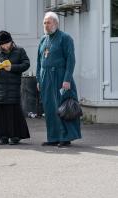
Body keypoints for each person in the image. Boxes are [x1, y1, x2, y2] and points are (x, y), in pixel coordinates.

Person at [36, 12, 81, 147]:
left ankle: (65, 137)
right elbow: (39, 61)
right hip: (45, 78)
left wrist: (67, 79)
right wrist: (38, 79)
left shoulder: (65, 38)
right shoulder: (43, 40)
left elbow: (71, 60)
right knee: (49, 109)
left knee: (62, 107)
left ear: (56, 23)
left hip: (60, 78)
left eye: (48, 22)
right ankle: (53, 137)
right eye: (44, 22)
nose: (46, 25)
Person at [0, 31, 30, 145]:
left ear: (11, 41)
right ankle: (2, 136)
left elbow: (26, 64)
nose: (5, 46)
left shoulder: (19, 51)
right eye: (2, 44)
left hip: (13, 86)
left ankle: (15, 135)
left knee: (13, 112)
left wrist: (13, 68)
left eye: (7, 43)